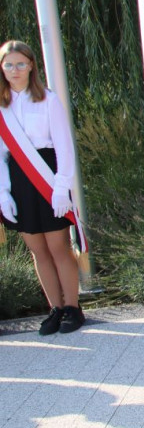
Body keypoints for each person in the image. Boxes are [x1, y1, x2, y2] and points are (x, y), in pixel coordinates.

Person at [0, 40, 84, 335]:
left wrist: (61, 187)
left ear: (32, 65)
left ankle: (73, 307)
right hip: (18, 179)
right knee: (38, 250)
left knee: (58, 246)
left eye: (20, 63)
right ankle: (56, 308)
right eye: (8, 64)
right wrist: (3, 193)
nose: (15, 70)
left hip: (47, 175)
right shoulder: (1, 105)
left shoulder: (47, 99)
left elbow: (63, 147)